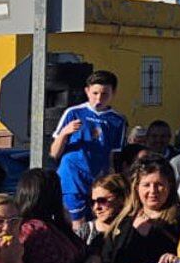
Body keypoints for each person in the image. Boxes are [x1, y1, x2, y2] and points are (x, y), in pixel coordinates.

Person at [49, 69, 128, 230]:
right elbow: (54, 152)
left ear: (113, 93)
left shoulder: (118, 120)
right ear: (87, 91)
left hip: (98, 182)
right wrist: (65, 133)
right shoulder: (74, 113)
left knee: (101, 224)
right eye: (95, 93)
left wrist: (113, 182)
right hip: (72, 180)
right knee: (77, 225)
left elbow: (113, 157)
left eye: (104, 94)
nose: (99, 98)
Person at [100, 157, 180, 263]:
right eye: (146, 185)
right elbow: (110, 261)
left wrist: (179, 260)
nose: (153, 191)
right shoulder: (122, 223)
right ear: (136, 188)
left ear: (169, 186)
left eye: (159, 184)